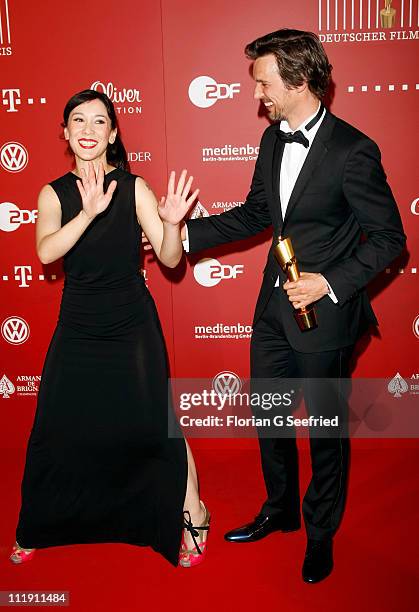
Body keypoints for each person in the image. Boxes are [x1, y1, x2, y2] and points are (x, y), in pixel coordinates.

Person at [182, 29, 405, 582]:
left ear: (299, 80)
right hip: (272, 313)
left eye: (263, 84)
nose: (258, 96)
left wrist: (328, 282)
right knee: (269, 419)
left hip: (325, 317)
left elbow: (389, 238)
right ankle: (280, 509)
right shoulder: (271, 141)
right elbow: (257, 213)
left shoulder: (355, 150)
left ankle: (320, 533)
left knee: (325, 431)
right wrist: (183, 235)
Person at [10, 89, 210, 568]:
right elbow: (46, 252)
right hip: (78, 324)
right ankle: (40, 522)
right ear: (64, 131)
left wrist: (171, 225)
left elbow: (169, 259)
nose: (87, 129)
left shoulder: (134, 187)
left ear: (113, 134)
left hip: (131, 324)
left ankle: (193, 511)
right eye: (77, 120)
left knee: (154, 420)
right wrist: (89, 212)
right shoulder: (52, 193)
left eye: (99, 122)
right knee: (56, 425)